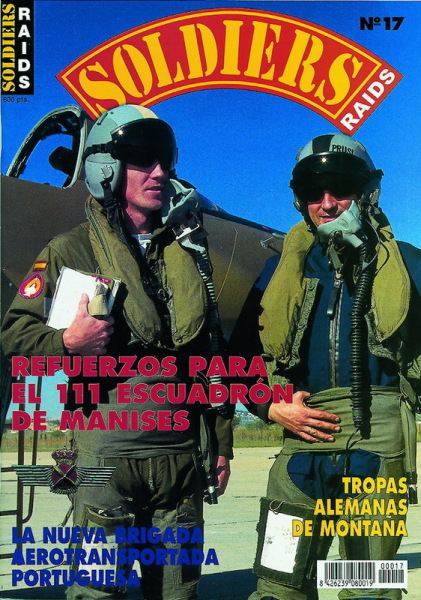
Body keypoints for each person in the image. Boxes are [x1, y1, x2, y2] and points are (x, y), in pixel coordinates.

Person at [2, 104, 233, 600]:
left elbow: (210, 356)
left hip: (180, 459)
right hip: (107, 461)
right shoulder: (70, 250)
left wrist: (221, 444)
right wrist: (66, 343)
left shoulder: (190, 254)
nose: (159, 173)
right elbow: (15, 333)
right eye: (142, 159)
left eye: (165, 160)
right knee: (99, 592)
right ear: (105, 168)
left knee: (178, 593)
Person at [233, 133, 421, 600]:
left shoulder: (410, 265)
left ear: (368, 191)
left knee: (368, 590)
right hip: (301, 438)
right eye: (314, 192)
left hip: (378, 444)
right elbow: (236, 360)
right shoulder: (278, 272)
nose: (328, 203)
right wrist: (269, 407)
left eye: (342, 188)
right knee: (279, 586)